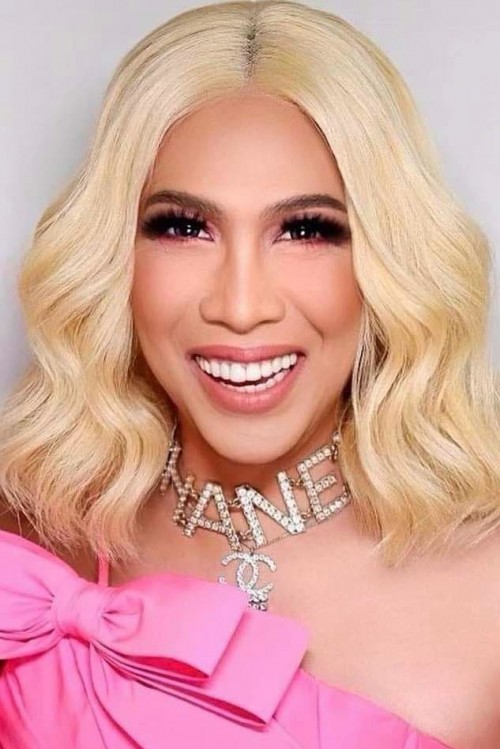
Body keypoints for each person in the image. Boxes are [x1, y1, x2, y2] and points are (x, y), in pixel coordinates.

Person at [0, 0, 499, 747]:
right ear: (112, 256)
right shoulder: (27, 546)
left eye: (306, 230)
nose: (240, 307)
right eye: (183, 227)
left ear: (390, 261)